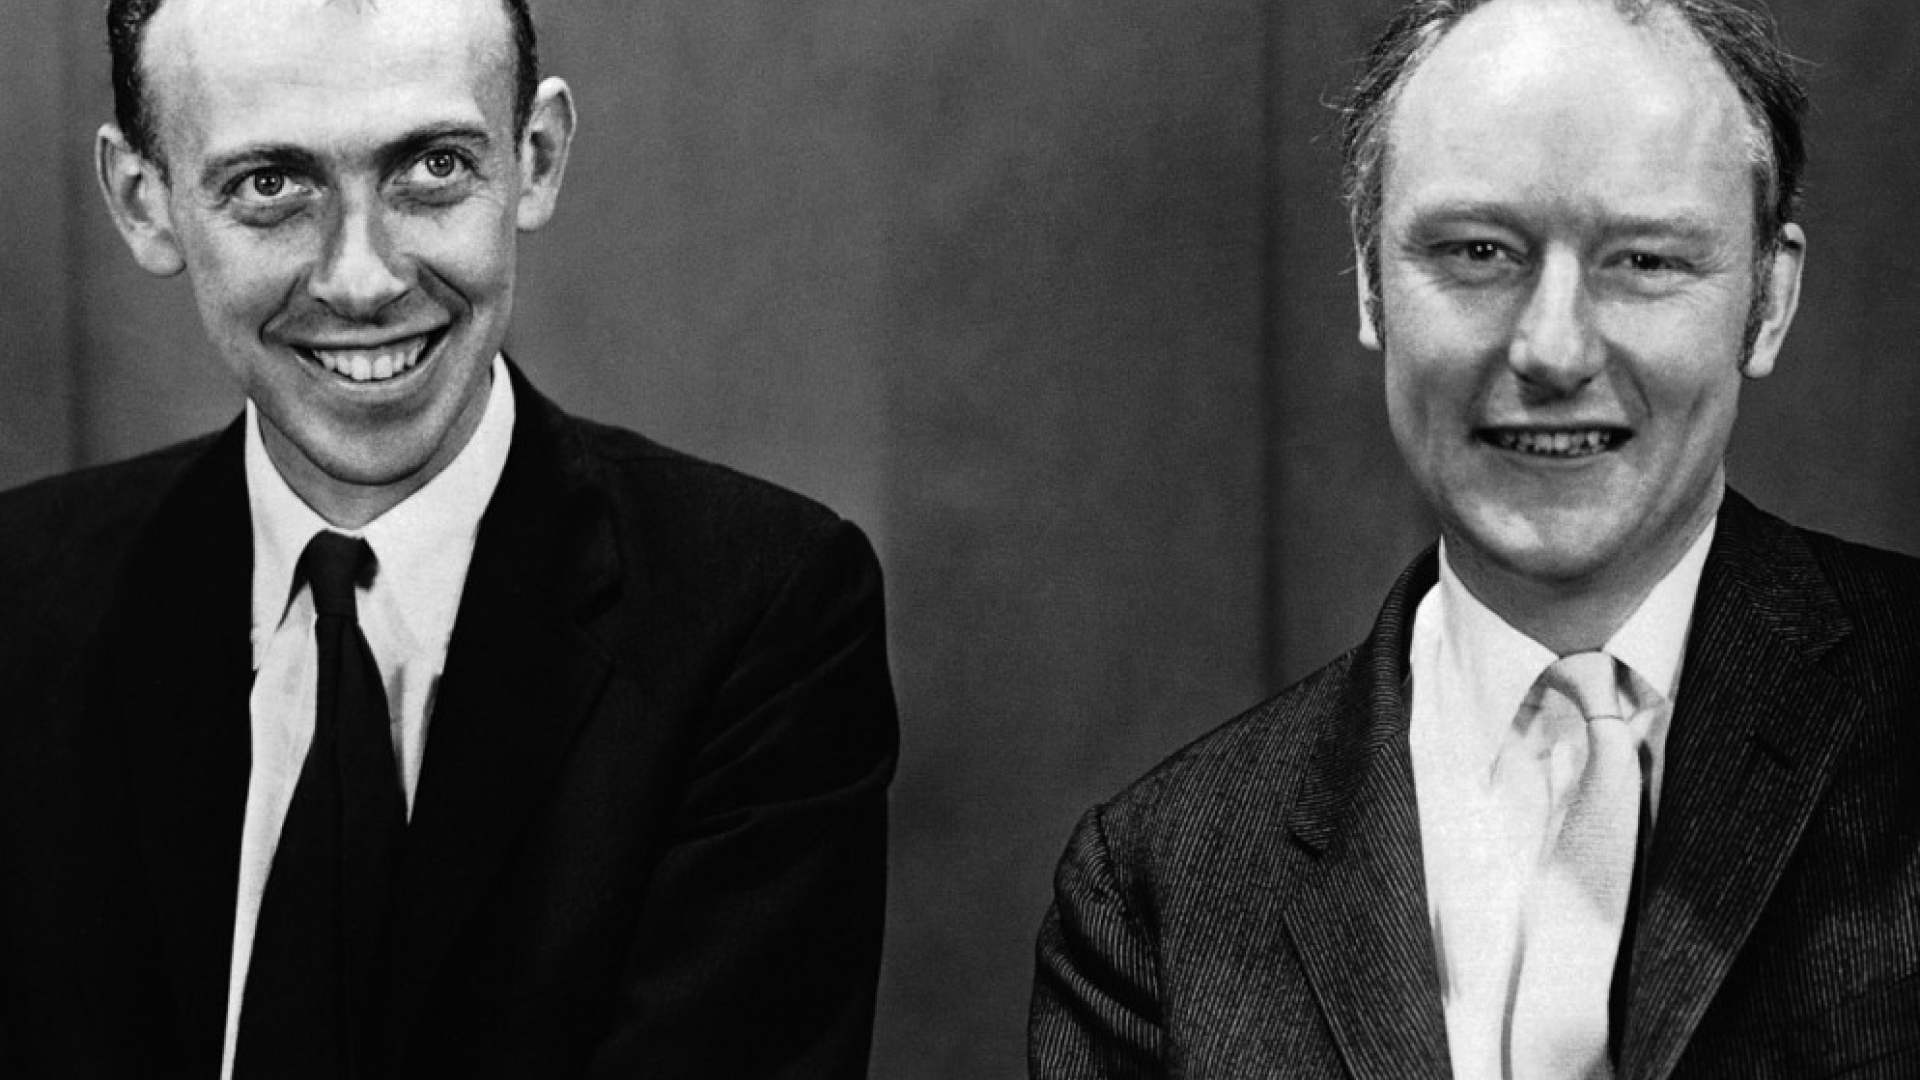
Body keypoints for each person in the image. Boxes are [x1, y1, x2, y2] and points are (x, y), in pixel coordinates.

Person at [0, 0, 897, 1076]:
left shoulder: (757, 617)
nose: (363, 280)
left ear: (538, 157)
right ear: (143, 203)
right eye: (271, 185)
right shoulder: (20, 602)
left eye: (432, 167)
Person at [1030, 0, 1920, 1076]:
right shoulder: (1154, 890)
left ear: (1768, 303)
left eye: (1644, 260)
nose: (1553, 349)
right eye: (1479, 251)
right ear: (1371, 284)